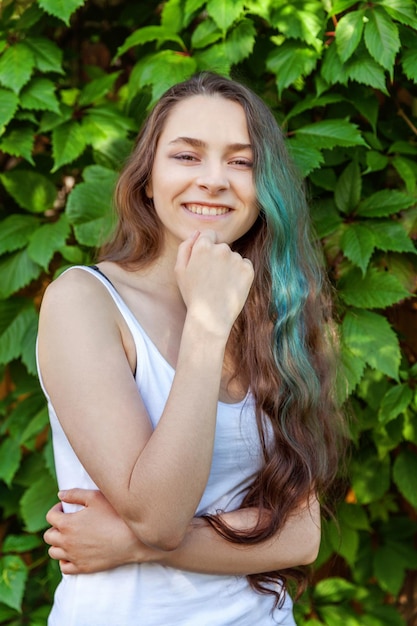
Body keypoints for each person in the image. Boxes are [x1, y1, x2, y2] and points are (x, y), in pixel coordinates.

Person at [38, 71, 345, 626]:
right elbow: (159, 514)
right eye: (186, 156)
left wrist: (133, 545)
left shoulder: (276, 311)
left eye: (241, 161)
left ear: (265, 187)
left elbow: (300, 537)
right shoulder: (84, 302)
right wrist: (206, 322)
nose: (214, 180)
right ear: (147, 179)